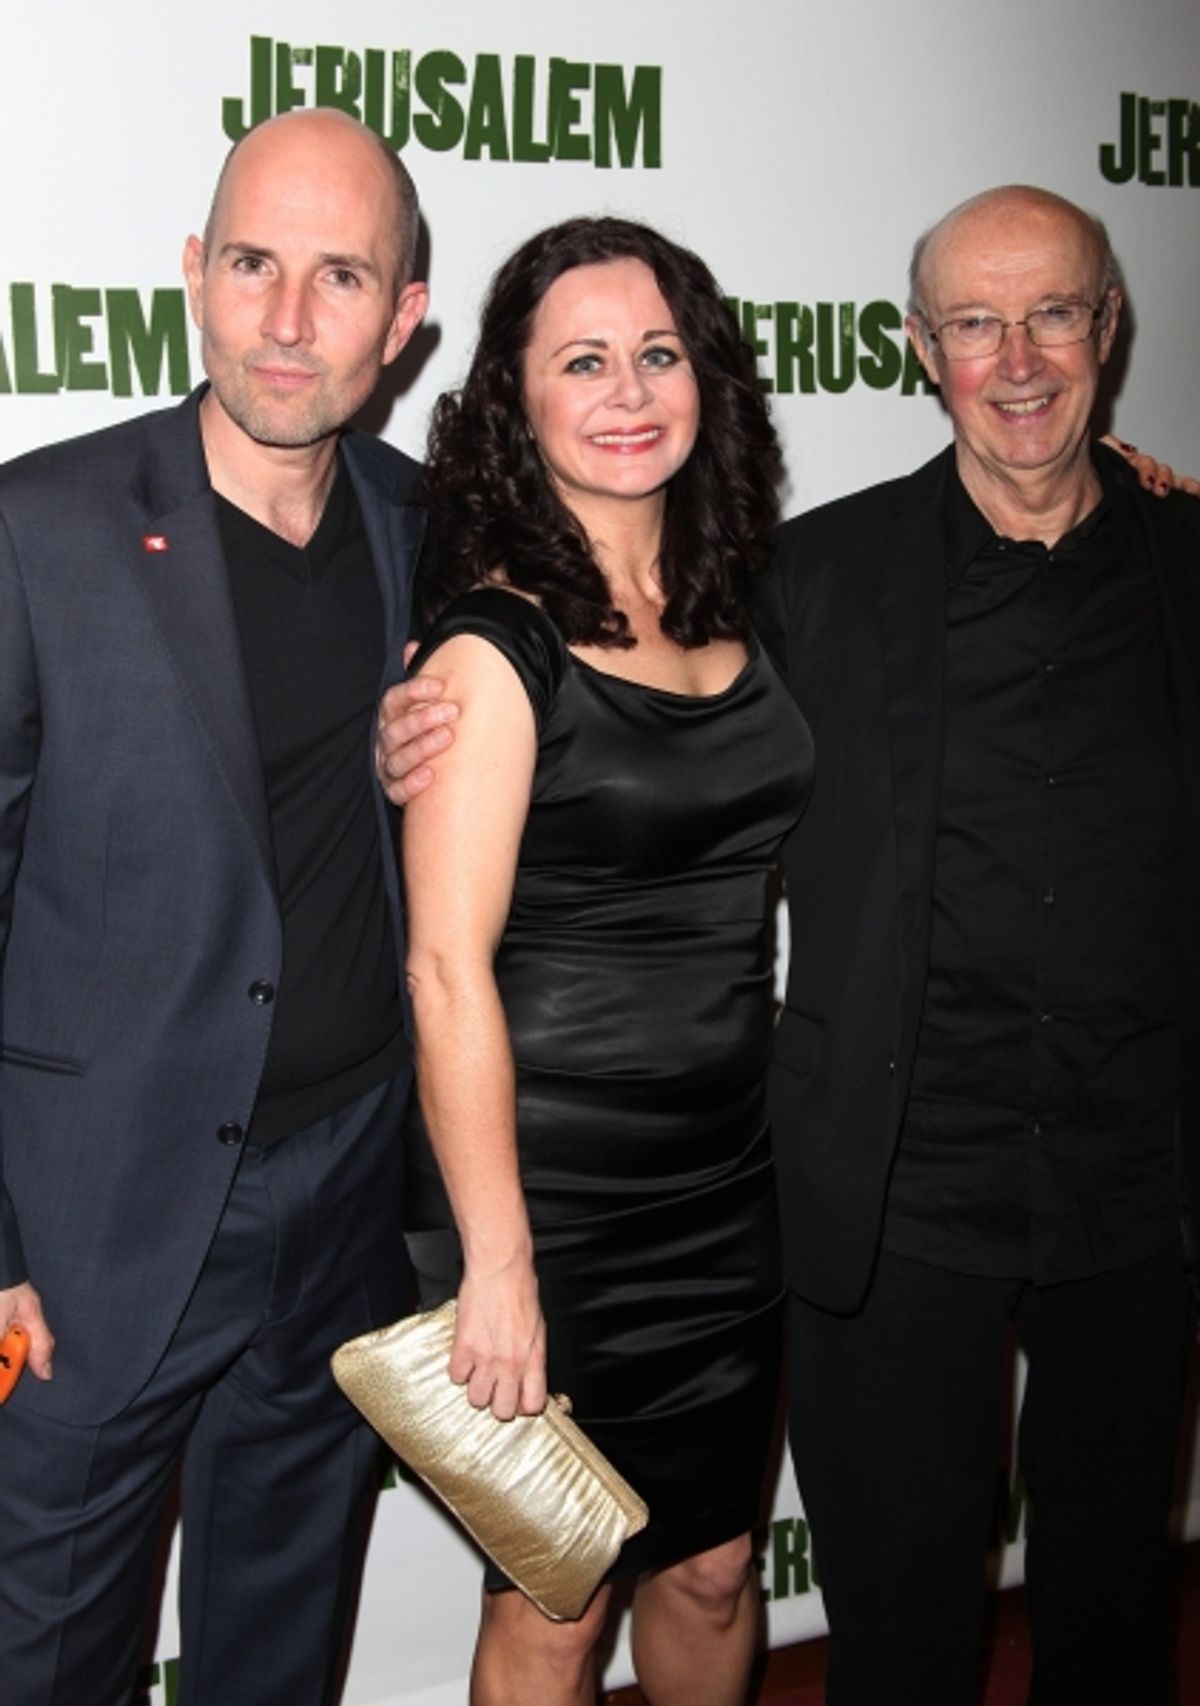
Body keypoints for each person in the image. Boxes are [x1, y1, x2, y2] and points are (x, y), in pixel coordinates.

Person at [0, 108, 428, 1705]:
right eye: (252, 264)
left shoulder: (416, 525)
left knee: (279, 1654)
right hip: (89, 1230)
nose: (288, 320)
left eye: (340, 277)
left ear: (403, 320)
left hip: (333, 1211)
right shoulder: (40, 529)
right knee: (47, 1658)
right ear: (193, 273)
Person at [755, 185, 1200, 1706]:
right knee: (899, 1624)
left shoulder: (1192, 558)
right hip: (896, 1186)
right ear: (917, 346)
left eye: (1054, 312)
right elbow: (646, 738)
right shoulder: (813, 577)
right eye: (973, 322)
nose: (1018, 358)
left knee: (1114, 1604)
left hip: (1143, 1189)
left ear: (1108, 326)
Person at [399, 216, 812, 1706]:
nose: (630, 389)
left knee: (711, 1562)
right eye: (584, 360)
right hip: (546, 1209)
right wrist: (500, 1269)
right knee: (561, 1596)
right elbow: (443, 970)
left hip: (725, 1187)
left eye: (658, 352)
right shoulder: (494, 651)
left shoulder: (743, 607)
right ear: (520, 401)